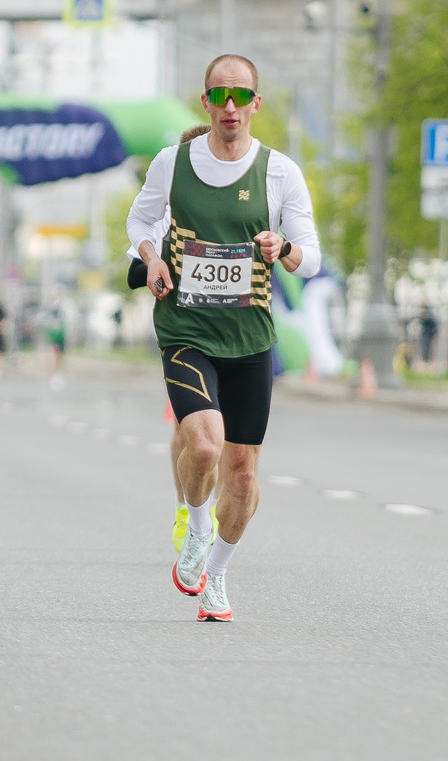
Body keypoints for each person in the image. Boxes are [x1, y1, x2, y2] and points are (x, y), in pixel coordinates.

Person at [127, 53, 321, 624]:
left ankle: (217, 573)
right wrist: (150, 257)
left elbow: (310, 258)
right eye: (219, 96)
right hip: (186, 329)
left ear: (256, 104)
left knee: (243, 472)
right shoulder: (172, 163)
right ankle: (196, 524)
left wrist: (283, 248)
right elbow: (139, 222)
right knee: (206, 446)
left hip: (250, 337)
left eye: (240, 96)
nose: (230, 106)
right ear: (205, 102)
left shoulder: (280, 172)